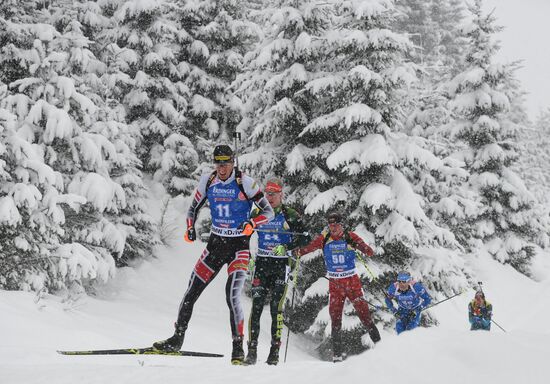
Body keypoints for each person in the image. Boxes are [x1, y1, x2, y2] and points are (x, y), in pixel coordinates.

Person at [152, 144, 274, 365]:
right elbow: (193, 208)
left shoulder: (244, 182)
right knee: (191, 291)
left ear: (232, 162)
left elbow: (269, 211)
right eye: (218, 163)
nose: (222, 168)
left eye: (226, 163)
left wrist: (252, 224)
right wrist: (190, 227)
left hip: (239, 247)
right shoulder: (208, 181)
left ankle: (238, 349)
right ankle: (177, 338)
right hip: (216, 245)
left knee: (232, 295)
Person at [292, 212, 381, 363]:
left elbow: (369, 252)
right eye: (330, 225)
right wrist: (297, 252)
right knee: (335, 318)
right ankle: (337, 356)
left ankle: (381, 347)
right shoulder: (325, 238)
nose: (332, 228)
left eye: (335, 225)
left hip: (352, 282)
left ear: (341, 225)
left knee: (364, 314)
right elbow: (308, 249)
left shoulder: (350, 236)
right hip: (335, 284)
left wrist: (358, 245)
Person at [244, 177, 310, 366]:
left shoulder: (290, 214)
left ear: (281, 194)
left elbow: (305, 238)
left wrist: (287, 246)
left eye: (274, 194)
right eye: (268, 193)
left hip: (281, 265)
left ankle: (274, 352)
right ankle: (252, 351)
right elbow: (245, 233)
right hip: (262, 265)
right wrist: (248, 257)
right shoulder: (258, 212)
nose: (270, 197)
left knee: (276, 308)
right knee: (256, 308)